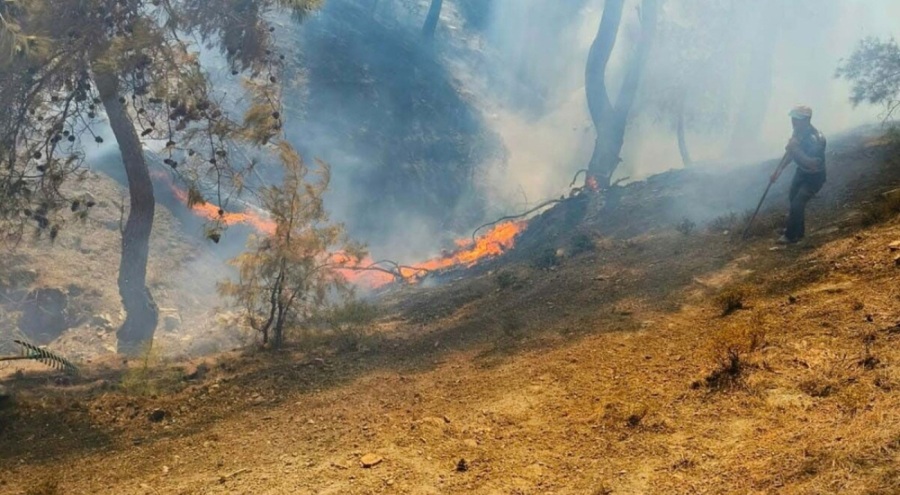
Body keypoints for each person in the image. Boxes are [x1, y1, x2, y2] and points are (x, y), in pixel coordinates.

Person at [769, 105, 827, 244]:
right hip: (801, 172)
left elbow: (812, 164)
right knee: (792, 198)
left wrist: (795, 148)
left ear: (806, 120)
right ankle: (798, 231)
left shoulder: (815, 138)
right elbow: (790, 154)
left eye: (797, 119)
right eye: (793, 119)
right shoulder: (798, 133)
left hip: (814, 177)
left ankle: (790, 236)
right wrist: (779, 170)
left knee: (797, 203)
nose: (793, 122)